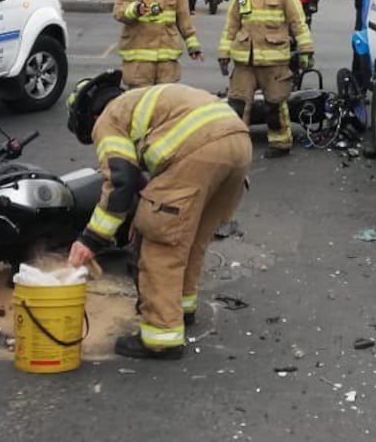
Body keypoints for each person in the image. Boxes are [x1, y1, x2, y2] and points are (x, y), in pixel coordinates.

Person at [66, 71, 251, 360]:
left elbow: (120, 181)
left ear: (88, 117)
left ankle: (161, 335)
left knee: (161, 244)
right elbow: (143, 178)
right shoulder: (142, 102)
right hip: (239, 143)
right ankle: (182, 307)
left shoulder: (107, 120)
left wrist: (91, 240)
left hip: (199, 151)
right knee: (191, 238)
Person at [219, 0, 314, 158]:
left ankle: (280, 144)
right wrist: (224, 53)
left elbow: (298, 23)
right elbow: (231, 26)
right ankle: (236, 148)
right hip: (245, 61)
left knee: (275, 105)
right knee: (237, 105)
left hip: (274, 61)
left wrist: (306, 50)